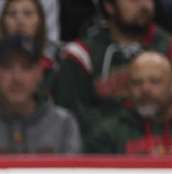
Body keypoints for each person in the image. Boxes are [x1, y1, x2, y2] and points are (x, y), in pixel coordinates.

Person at [54, 0, 172, 133]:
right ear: (109, 6)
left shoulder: (168, 49)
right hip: (100, 147)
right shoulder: (81, 55)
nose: (144, 5)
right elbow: (70, 121)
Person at [84, 50, 172, 152]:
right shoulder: (107, 133)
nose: (145, 89)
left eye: (155, 81)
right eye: (137, 82)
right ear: (128, 88)